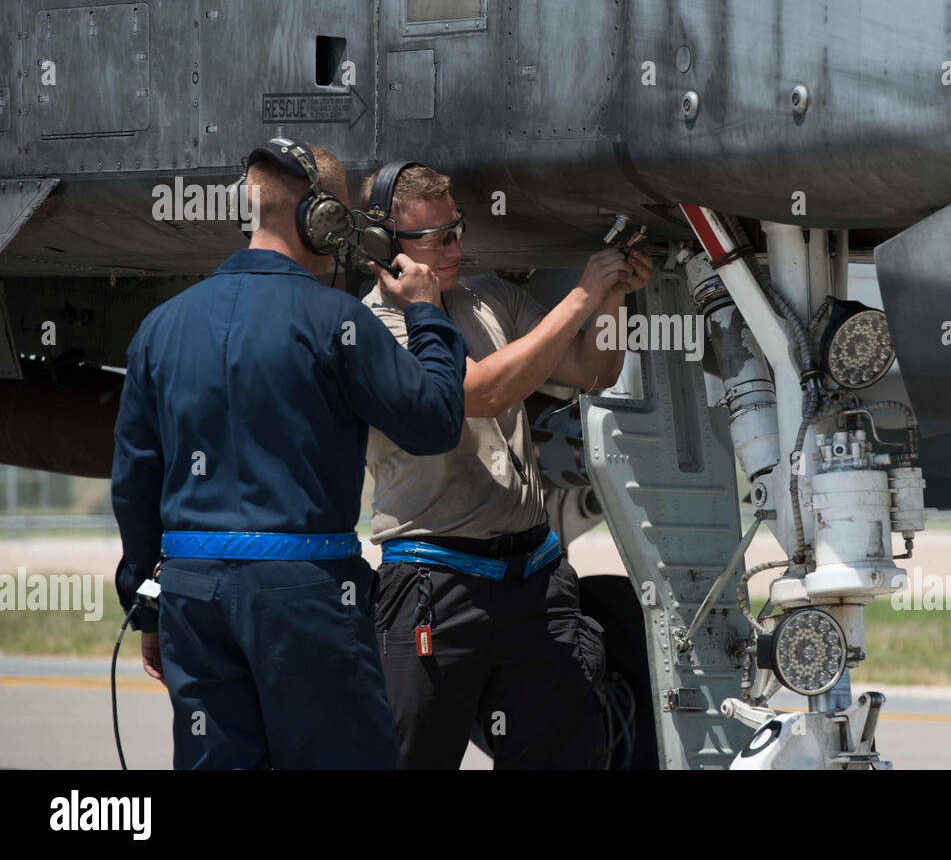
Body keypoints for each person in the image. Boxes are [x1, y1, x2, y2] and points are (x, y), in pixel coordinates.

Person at [111, 138, 467, 768]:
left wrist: (148, 609)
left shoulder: (159, 327)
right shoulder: (336, 321)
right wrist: (427, 315)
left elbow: (135, 484)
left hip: (193, 595)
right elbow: (435, 421)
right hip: (305, 595)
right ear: (322, 218)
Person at [358, 162, 652, 768]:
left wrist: (614, 297)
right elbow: (481, 393)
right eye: (435, 239)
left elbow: (593, 371)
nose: (454, 248)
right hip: (434, 583)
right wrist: (582, 294)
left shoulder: (490, 298)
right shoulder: (376, 326)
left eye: (456, 231)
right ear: (387, 248)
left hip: (532, 578)